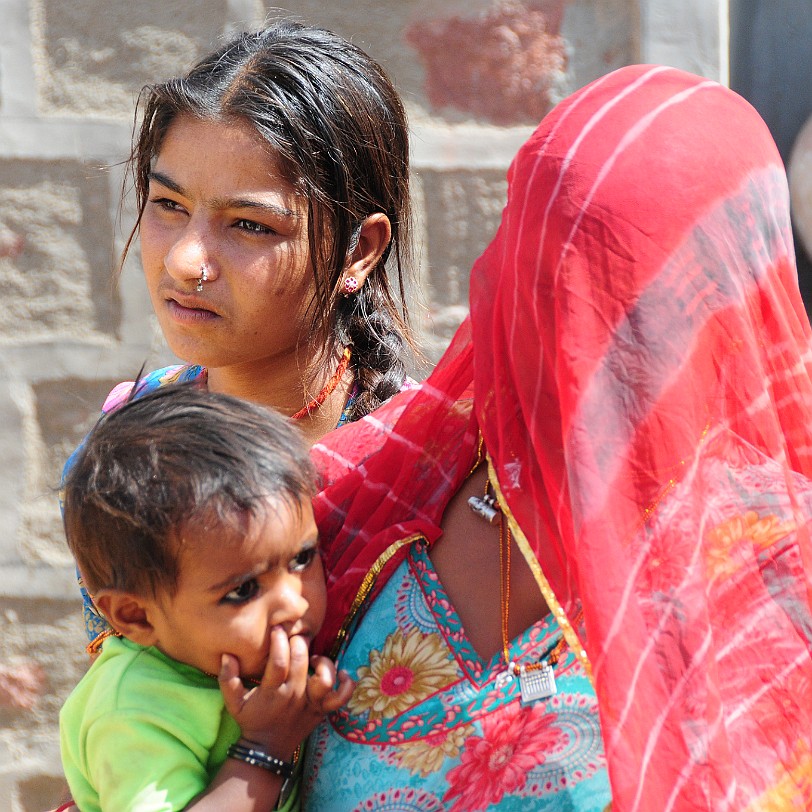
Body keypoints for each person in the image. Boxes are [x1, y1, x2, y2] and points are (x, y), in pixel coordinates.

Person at [303, 65, 812, 810]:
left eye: (626, 300)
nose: (578, 341)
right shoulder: (351, 497)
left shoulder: (778, 582)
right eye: (546, 272)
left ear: (730, 304)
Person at [69, 18, 420, 652]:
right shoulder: (132, 459)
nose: (184, 262)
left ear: (358, 252)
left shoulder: (434, 465)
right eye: (168, 206)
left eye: (250, 225)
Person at [60, 384, 354, 812]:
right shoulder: (133, 709)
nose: (293, 603)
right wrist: (266, 747)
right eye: (243, 590)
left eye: (302, 558)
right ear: (135, 616)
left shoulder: (228, 659)